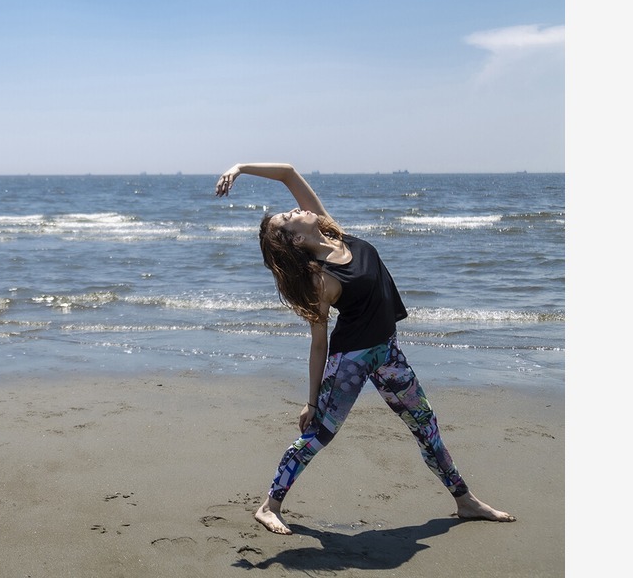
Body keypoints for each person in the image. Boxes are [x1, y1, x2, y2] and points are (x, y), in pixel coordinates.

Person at [215, 162, 515, 535]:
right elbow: (319, 343)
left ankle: (464, 500)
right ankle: (269, 506)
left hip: (387, 352)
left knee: (425, 424)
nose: (296, 209)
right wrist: (312, 402)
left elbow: (289, 174)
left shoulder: (334, 232)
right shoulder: (321, 280)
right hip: (350, 361)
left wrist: (240, 168)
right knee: (319, 434)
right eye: (290, 217)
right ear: (296, 239)